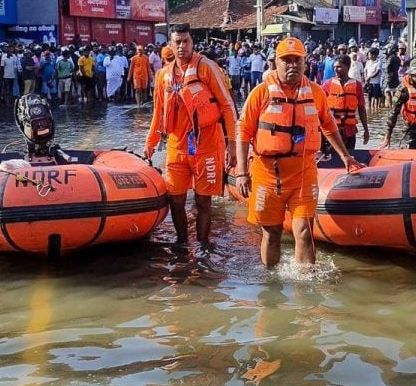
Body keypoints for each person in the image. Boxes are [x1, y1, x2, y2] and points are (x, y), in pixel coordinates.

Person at [234, 37, 363, 267]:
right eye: (287, 60)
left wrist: (345, 156)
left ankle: (306, 294)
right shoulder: (260, 93)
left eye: (297, 60)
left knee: (303, 231)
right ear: (276, 62)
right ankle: (271, 288)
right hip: (267, 174)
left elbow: (329, 126)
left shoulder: (315, 92)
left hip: (303, 172)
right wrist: (242, 172)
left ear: (305, 63)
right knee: (271, 233)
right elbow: (243, 133)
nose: (293, 65)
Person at [144, 25, 238, 246]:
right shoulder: (162, 76)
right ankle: (182, 243)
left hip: (207, 145)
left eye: (186, 41)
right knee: (175, 199)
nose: (182, 46)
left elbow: (227, 106)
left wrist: (232, 144)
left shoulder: (207, 68)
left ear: (192, 42)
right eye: (177, 41)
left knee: (203, 201)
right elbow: (158, 112)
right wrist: (150, 143)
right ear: (170, 44)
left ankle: (204, 245)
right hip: (177, 147)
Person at [320, 54, 369, 153]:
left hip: (349, 131)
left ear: (348, 67)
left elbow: (361, 108)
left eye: (339, 67)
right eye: (334, 67)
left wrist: (366, 130)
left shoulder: (357, 86)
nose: (335, 69)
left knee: (349, 157)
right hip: (331, 130)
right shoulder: (327, 84)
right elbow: (319, 108)